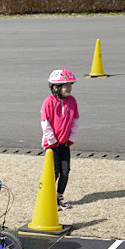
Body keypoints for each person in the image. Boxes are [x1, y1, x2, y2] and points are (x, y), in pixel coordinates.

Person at [41, 68, 80, 210]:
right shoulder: (48, 102)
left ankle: (59, 196)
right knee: (54, 172)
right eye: (66, 85)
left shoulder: (72, 101)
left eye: (70, 85)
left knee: (65, 171)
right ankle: (49, 197)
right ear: (56, 87)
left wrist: (71, 138)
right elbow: (45, 123)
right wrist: (52, 140)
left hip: (64, 143)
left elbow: (75, 120)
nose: (69, 88)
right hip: (52, 145)